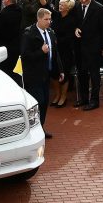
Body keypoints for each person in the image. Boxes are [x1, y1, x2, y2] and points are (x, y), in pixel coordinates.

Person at [20, 8, 63, 138]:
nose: (49, 22)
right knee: (38, 102)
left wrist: (60, 70)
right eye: (46, 19)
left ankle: (41, 128)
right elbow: (25, 55)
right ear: (38, 19)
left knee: (44, 103)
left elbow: (55, 53)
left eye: (50, 19)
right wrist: (41, 51)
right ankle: (32, 130)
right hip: (33, 75)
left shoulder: (50, 32)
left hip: (46, 75)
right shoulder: (29, 34)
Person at [73, 0, 103, 111]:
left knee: (94, 75)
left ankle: (94, 101)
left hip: (94, 47)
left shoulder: (99, 8)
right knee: (82, 74)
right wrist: (75, 28)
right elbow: (75, 22)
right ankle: (84, 99)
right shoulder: (77, 6)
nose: (83, 0)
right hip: (80, 47)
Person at [50, 0, 77, 107]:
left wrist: (57, 40)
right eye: (59, 4)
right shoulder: (55, 15)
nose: (59, 6)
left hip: (65, 50)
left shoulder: (72, 20)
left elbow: (70, 37)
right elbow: (46, 6)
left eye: (62, 4)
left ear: (68, 7)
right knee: (53, 73)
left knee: (64, 74)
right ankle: (57, 94)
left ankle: (63, 96)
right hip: (54, 50)